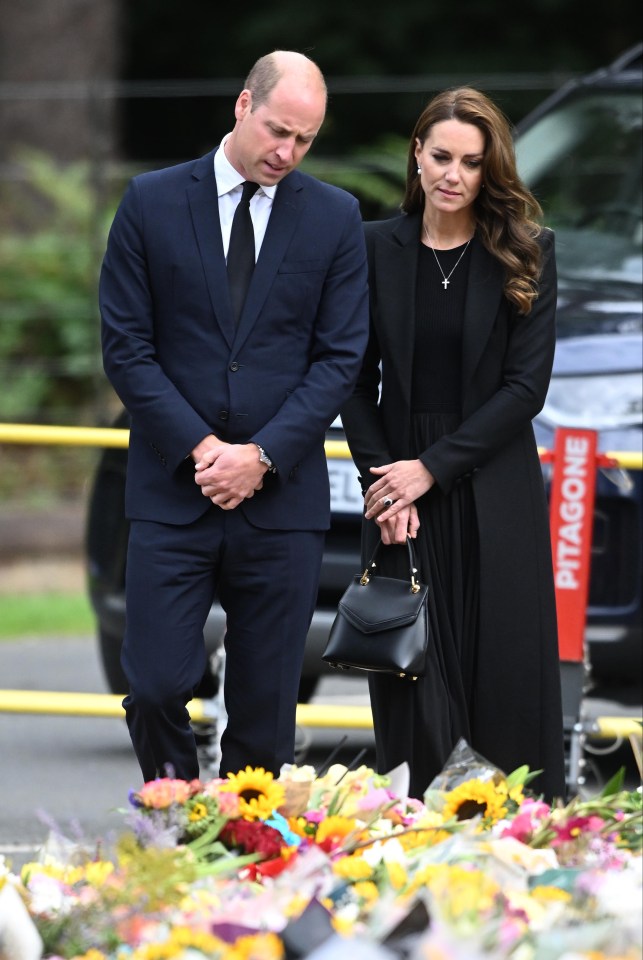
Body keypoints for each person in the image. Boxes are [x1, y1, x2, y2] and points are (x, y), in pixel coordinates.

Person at [99, 50, 369, 784]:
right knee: (154, 686)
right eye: (278, 130)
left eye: (304, 139)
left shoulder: (335, 217)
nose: (286, 152)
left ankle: (246, 861)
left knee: (265, 712)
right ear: (242, 106)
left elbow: (339, 359)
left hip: (280, 501)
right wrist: (201, 449)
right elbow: (126, 349)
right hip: (170, 495)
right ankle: (181, 821)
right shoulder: (150, 201)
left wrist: (261, 456)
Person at [340, 87, 566, 802]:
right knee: (413, 687)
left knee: (503, 682)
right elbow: (351, 380)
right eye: (440, 156)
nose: (452, 174)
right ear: (416, 154)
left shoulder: (525, 252)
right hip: (398, 495)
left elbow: (523, 389)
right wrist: (387, 486)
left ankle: (515, 854)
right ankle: (422, 848)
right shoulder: (372, 248)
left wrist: (428, 469)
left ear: (488, 169)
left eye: (471, 162)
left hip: (492, 485)